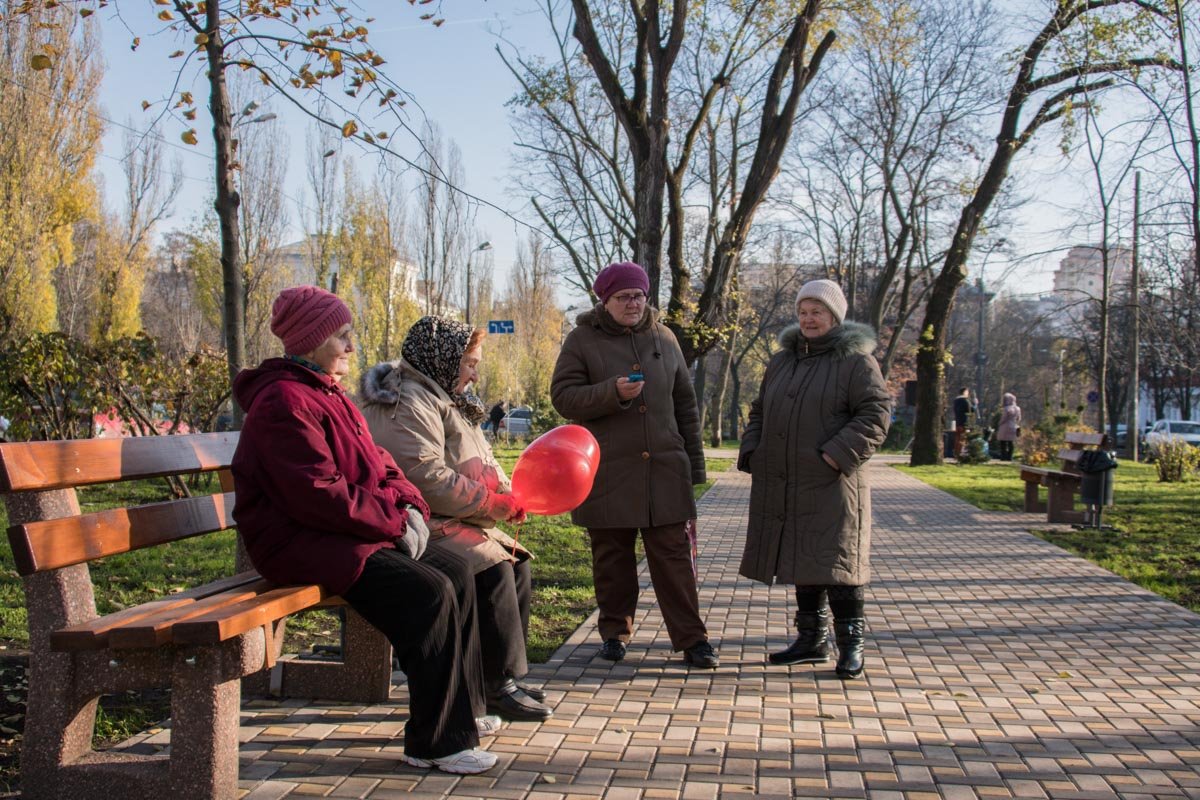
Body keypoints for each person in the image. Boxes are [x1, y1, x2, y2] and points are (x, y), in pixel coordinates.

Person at [230, 286, 498, 775]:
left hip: (339, 531)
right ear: (311, 342)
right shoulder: (284, 402)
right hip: (295, 541)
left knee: (456, 570)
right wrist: (396, 521)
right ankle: (436, 742)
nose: (352, 347)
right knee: (429, 591)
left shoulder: (326, 393)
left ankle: (467, 712)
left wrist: (411, 505)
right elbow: (317, 494)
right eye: (342, 336)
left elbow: (383, 465)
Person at [360, 316, 553, 722]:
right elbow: (424, 477)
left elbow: (475, 457)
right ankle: (495, 686)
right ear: (444, 360)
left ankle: (500, 679)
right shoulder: (408, 401)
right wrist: (489, 503)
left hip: (448, 516)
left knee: (515, 562)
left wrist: (505, 493)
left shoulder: (440, 396)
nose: (474, 373)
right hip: (415, 521)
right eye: (469, 363)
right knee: (494, 568)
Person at [550, 261, 718, 669]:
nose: (633, 304)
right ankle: (614, 634)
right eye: (623, 297)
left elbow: (685, 405)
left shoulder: (665, 337)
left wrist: (694, 467)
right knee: (612, 559)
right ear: (604, 300)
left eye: (639, 296)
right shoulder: (581, 340)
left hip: (665, 469)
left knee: (674, 558)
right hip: (608, 469)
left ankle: (693, 640)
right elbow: (563, 396)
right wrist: (612, 393)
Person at [737, 279, 890, 680]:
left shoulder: (856, 361)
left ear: (834, 316)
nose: (808, 319)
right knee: (800, 558)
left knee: (838, 563)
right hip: (785, 479)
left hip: (832, 481)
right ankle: (811, 641)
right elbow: (759, 409)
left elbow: (875, 415)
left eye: (817, 312)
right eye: (803, 312)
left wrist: (834, 455)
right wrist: (754, 448)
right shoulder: (782, 361)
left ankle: (850, 645)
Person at [995, 392, 1022, 461]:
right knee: (1011, 442)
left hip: (1005, 426)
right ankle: (1010, 457)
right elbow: (1019, 418)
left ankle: (1003, 457)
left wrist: (999, 423)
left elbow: (1004, 418)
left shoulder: (1006, 408)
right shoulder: (1018, 408)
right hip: (1013, 426)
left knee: (1003, 442)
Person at [952, 386, 972, 458]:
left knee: (957, 438)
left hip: (958, 421)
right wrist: (975, 404)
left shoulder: (956, 400)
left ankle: (956, 453)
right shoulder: (964, 400)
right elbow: (970, 409)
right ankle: (961, 453)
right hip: (964, 421)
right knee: (963, 437)